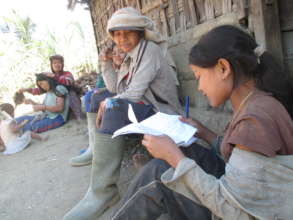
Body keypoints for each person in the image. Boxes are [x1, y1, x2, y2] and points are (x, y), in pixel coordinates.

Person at [111, 25, 293, 220]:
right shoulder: (258, 102)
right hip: (252, 197)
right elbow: (246, 161)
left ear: (223, 68)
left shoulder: (254, 121)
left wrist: (174, 158)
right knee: (189, 152)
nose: (199, 87)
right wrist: (203, 132)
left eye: (199, 77)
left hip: (237, 211)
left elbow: (236, 212)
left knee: (159, 171)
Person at [63, 7, 182, 220]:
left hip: (164, 115)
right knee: (96, 98)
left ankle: (104, 192)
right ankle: (96, 149)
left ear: (139, 32)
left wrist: (111, 102)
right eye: (117, 34)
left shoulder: (149, 50)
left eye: (128, 32)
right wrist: (105, 63)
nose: (122, 38)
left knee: (112, 107)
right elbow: (115, 88)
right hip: (145, 110)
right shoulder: (130, 56)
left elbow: (133, 94)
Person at [70, 44, 126, 167]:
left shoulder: (133, 62)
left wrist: (109, 99)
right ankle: (93, 145)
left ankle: (96, 148)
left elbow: (122, 89)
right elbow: (113, 86)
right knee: (91, 95)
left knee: (101, 100)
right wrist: (105, 63)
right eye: (114, 53)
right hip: (122, 93)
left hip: (135, 99)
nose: (117, 55)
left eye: (121, 52)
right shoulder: (117, 64)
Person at [20, 54, 82, 120]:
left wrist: (54, 77)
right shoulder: (49, 76)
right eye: (54, 63)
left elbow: (68, 82)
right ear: (51, 65)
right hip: (59, 103)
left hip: (70, 99)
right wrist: (27, 90)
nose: (57, 65)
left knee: (71, 94)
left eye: (59, 62)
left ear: (62, 64)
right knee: (50, 95)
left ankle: (75, 114)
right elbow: (40, 90)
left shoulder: (67, 74)